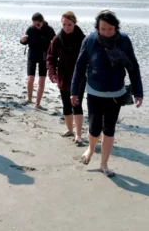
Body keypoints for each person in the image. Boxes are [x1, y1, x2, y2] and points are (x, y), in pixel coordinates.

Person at [71, 10, 143, 177]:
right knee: (94, 128)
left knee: (109, 128)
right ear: (98, 28)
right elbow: (79, 67)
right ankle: (90, 148)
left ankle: (104, 164)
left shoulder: (124, 41)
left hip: (116, 93)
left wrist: (138, 91)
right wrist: (74, 91)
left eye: (110, 29)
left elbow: (133, 67)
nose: (107, 33)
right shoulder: (90, 40)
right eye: (103, 29)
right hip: (95, 92)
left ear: (116, 27)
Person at [47, 11, 86, 145]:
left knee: (77, 104)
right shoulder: (57, 38)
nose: (66, 27)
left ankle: (79, 135)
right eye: (64, 24)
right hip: (63, 77)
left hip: (79, 77)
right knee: (66, 104)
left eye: (69, 24)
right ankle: (69, 130)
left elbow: (90, 59)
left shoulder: (83, 39)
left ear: (74, 23)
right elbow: (50, 58)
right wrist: (53, 75)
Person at [20, 12, 55, 109]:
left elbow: (55, 42)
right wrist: (22, 40)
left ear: (42, 21)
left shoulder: (49, 30)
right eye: (34, 24)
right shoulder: (31, 29)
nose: (36, 26)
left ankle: (37, 103)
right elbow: (25, 41)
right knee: (30, 79)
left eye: (38, 24)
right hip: (32, 55)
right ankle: (29, 99)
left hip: (44, 56)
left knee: (41, 80)